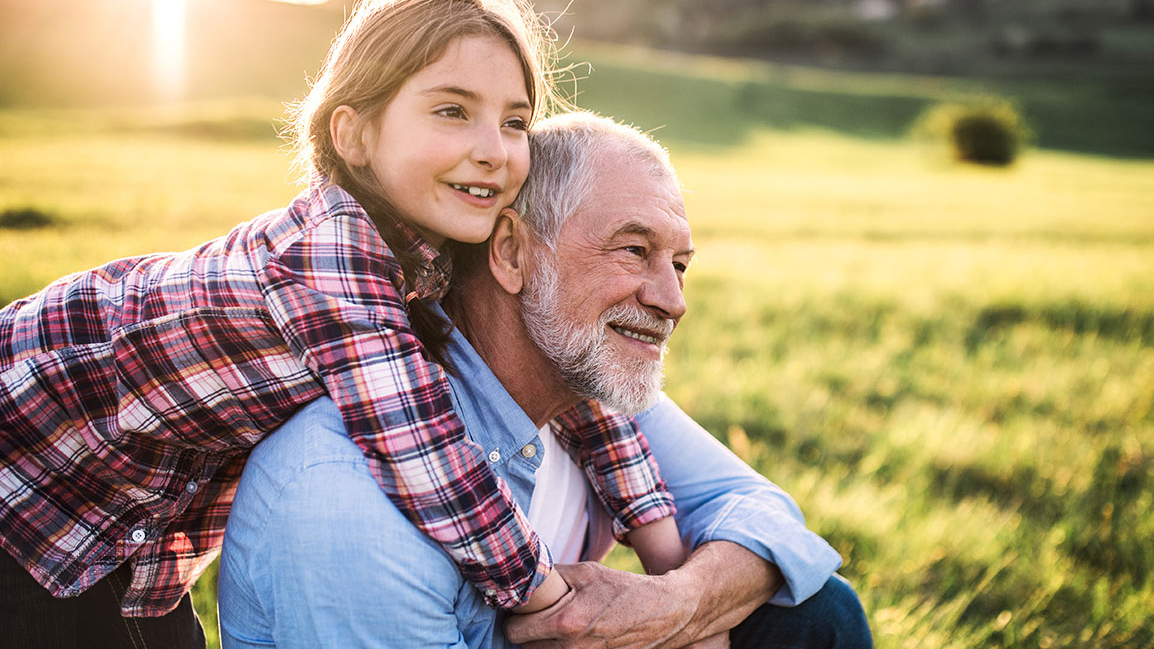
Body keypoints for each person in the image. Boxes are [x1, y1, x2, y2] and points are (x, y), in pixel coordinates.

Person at [0, 1, 688, 646]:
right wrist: (543, 593)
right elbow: (425, 452)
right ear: (354, 135)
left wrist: (663, 547)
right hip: (32, 473)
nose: (493, 150)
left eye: (513, 121)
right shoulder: (330, 260)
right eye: (453, 110)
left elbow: (572, 384)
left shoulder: (434, 240)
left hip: (135, 516)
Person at [218, 112, 873, 648]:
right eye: (634, 249)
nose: (673, 300)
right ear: (510, 252)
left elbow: (774, 521)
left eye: (680, 263)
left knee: (819, 614)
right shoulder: (348, 493)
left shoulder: (588, 390)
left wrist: (674, 604)